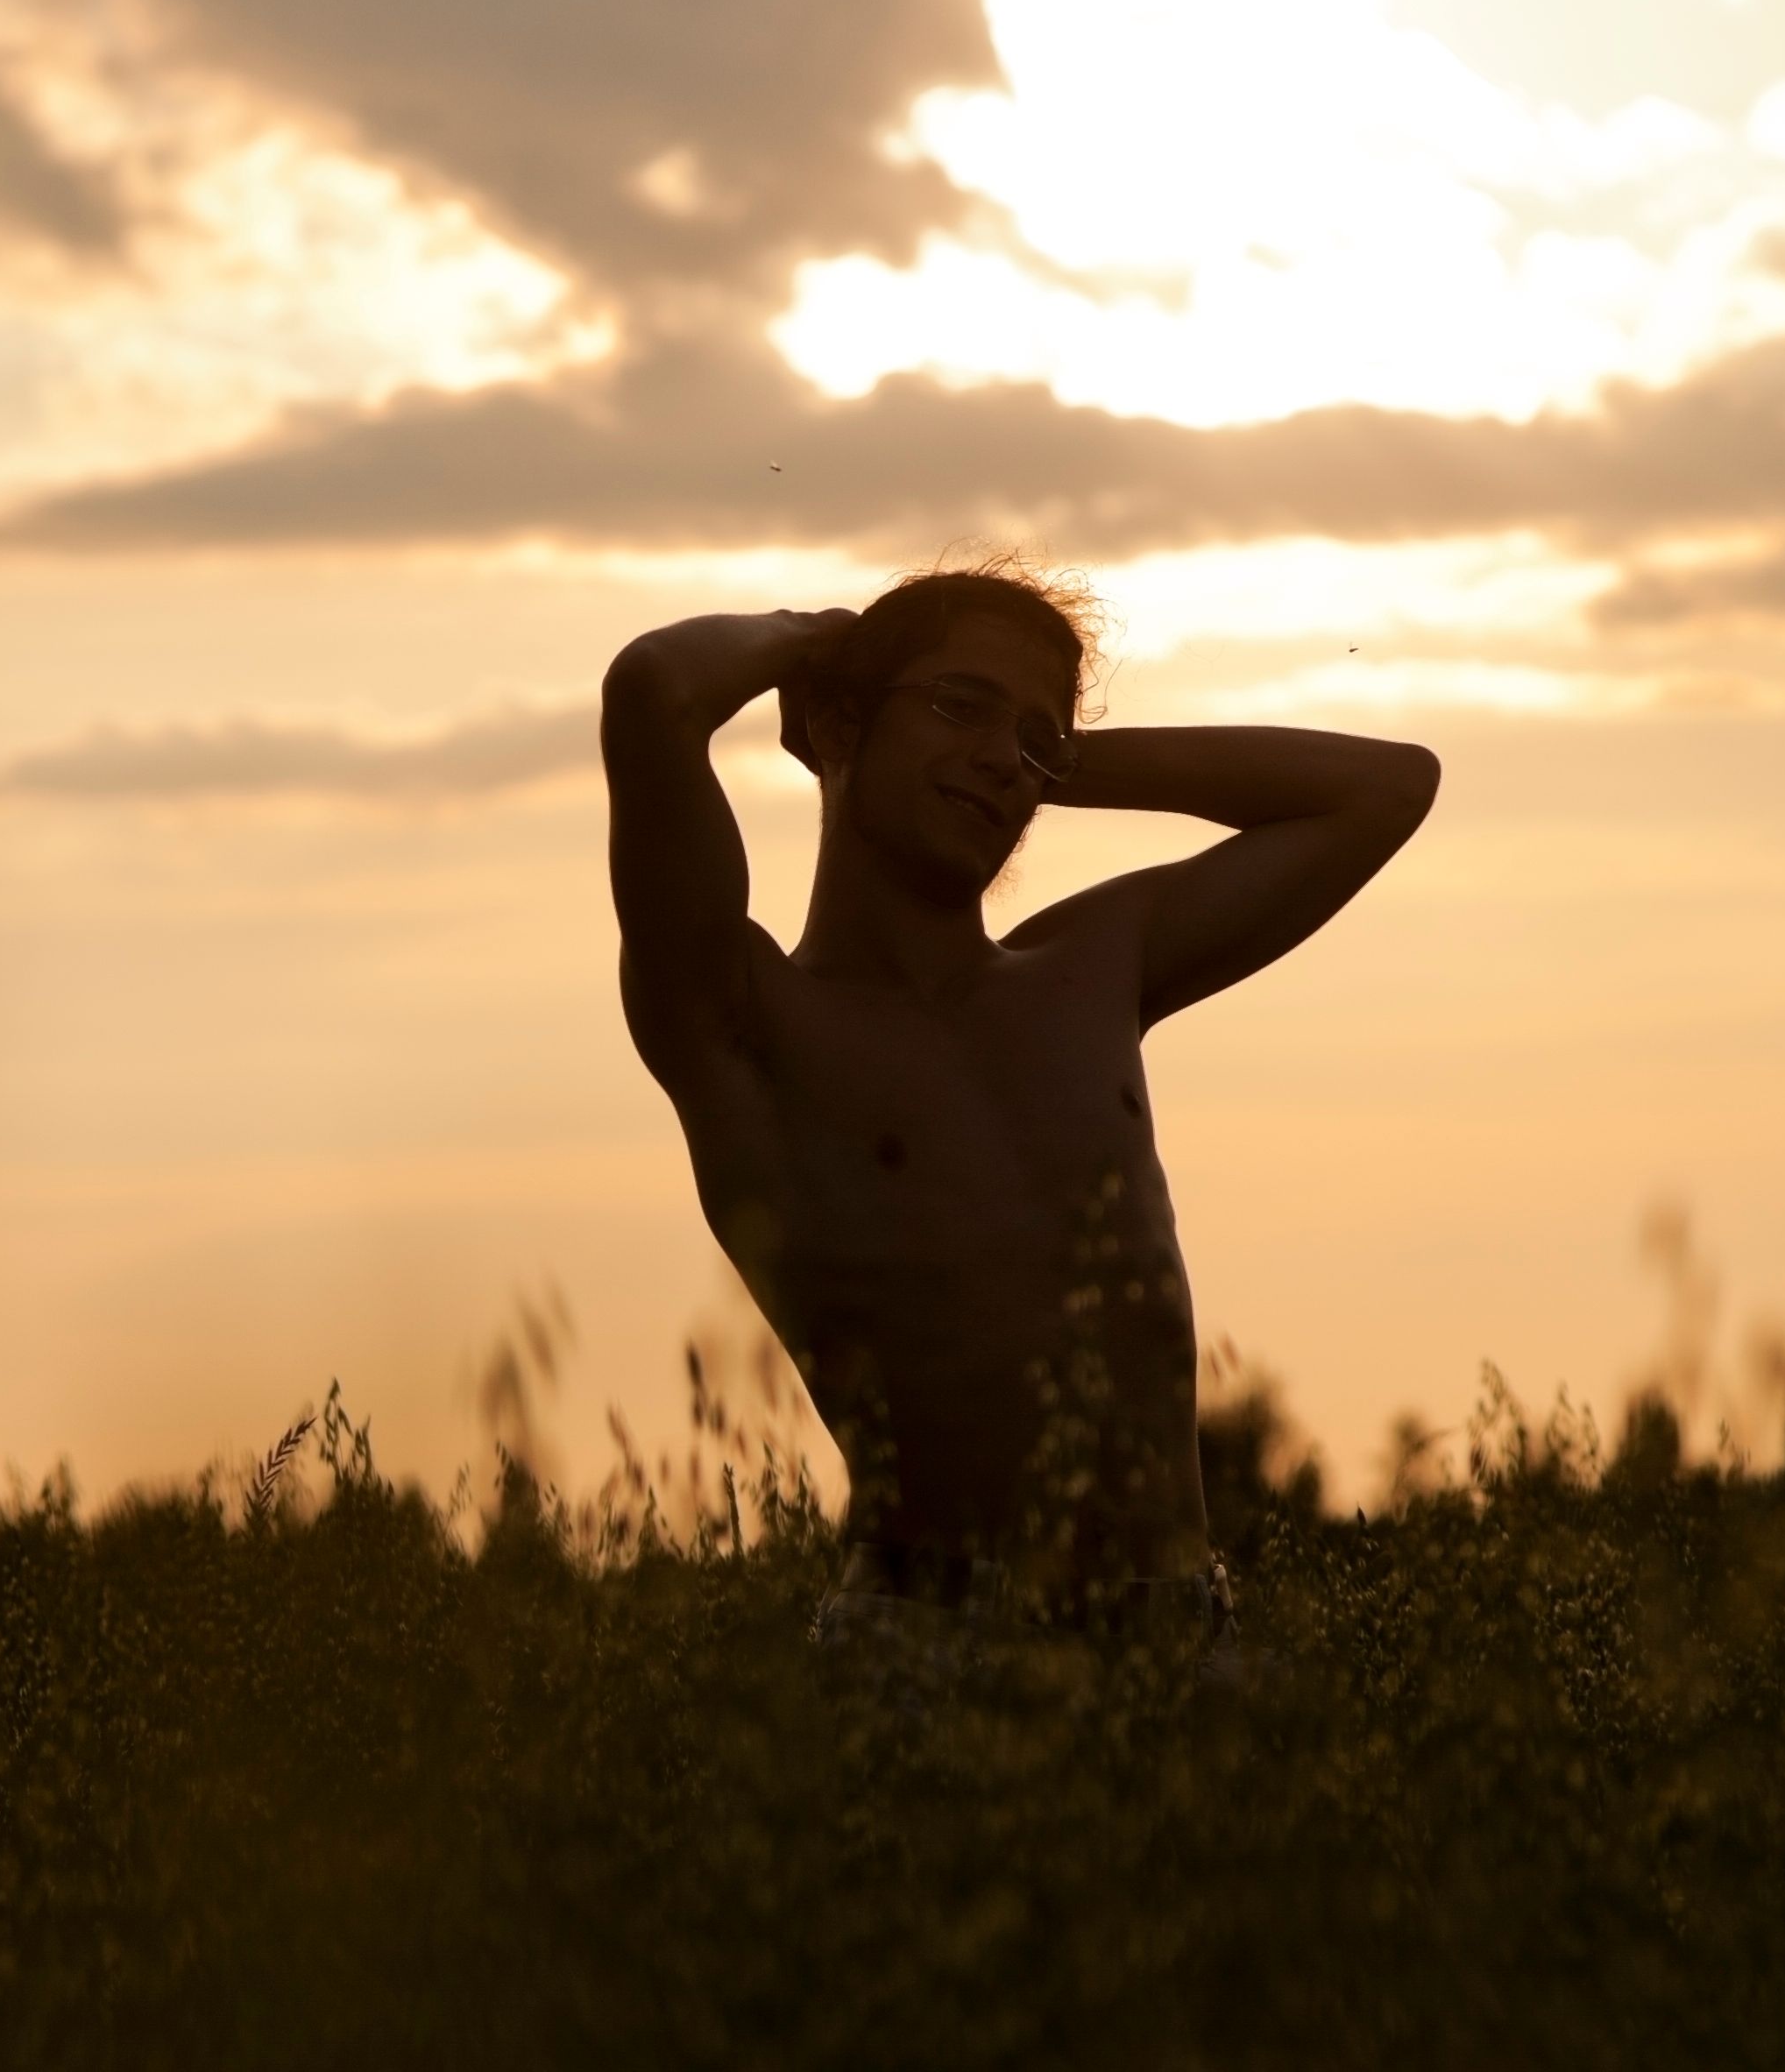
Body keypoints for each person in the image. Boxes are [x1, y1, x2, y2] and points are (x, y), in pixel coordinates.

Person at [599, 562, 1437, 1643]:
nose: (1001, 757)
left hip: (1184, 1642)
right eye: (959, 705)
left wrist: (1050, 766)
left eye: (1035, 736)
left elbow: (1388, 787)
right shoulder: (748, 1017)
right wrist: (811, 641)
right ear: (843, 723)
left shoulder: (1095, 963)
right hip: (933, 1649)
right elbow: (653, 689)